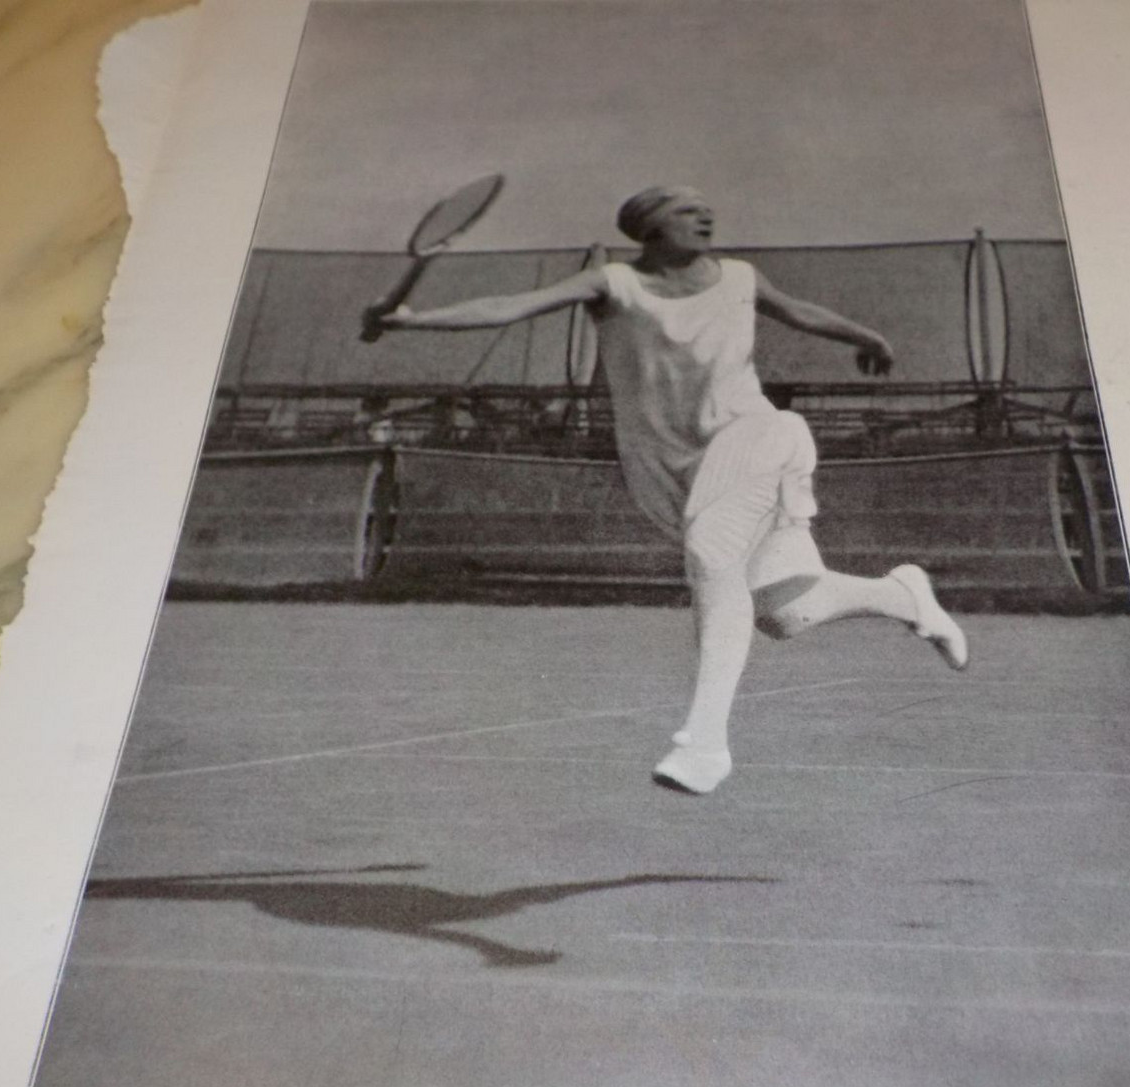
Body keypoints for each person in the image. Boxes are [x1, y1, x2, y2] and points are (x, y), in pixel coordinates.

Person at [374, 186, 967, 794]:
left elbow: (801, 311)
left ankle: (704, 744)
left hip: (757, 436)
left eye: (705, 208)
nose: (705, 216)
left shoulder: (739, 277)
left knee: (713, 555)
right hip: (668, 465)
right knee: (787, 614)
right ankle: (904, 596)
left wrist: (867, 337)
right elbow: (510, 305)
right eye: (686, 211)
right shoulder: (612, 284)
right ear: (649, 228)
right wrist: (418, 321)